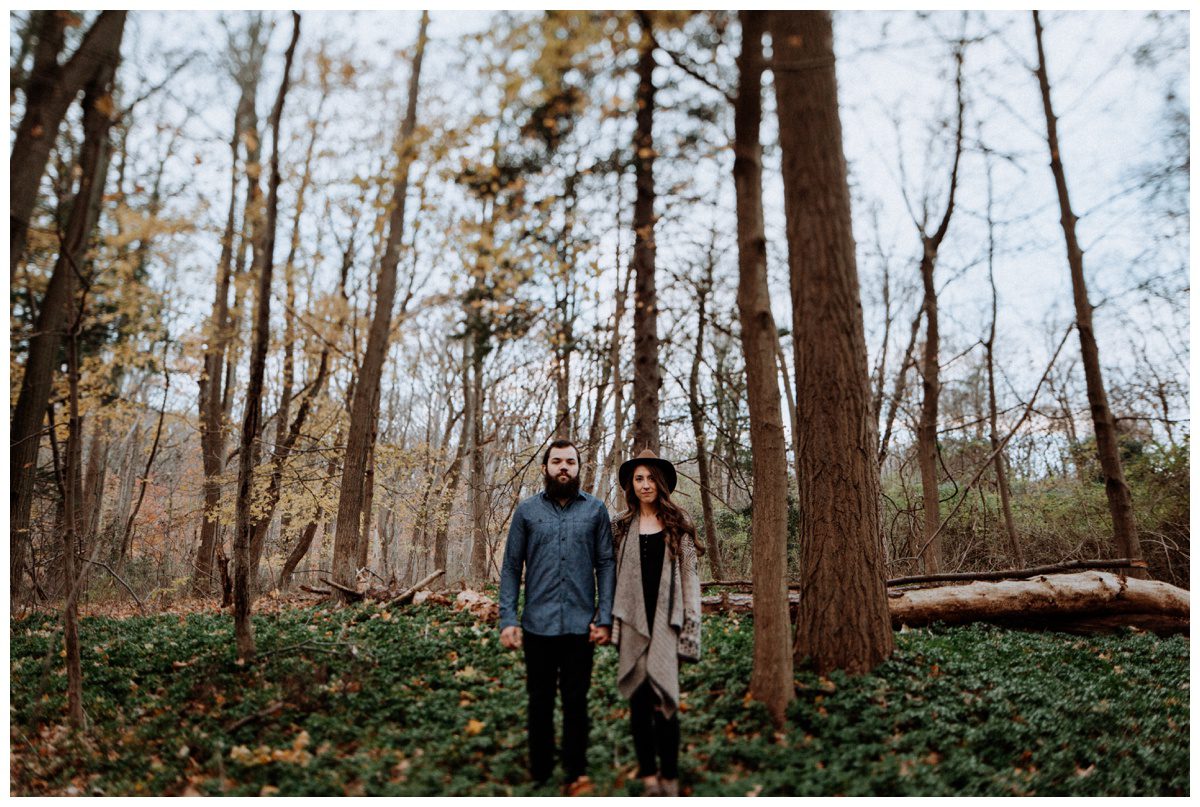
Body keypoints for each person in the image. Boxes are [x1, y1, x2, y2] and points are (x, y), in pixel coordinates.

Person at [499, 438, 616, 794]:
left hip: (582, 626)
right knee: (540, 701)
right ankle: (540, 773)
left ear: (579, 468)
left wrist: (605, 616)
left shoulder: (595, 511)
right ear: (545, 468)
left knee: (576, 702)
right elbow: (510, 567)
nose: (563, 468)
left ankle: (574, 771)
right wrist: (508, 618)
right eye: (557, 462)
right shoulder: (527, 511)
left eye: (570, 462)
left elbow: (606, 565)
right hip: (537, 624)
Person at [610, 449, 703, 797]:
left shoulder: (680, 522)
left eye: (651, 478)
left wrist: (690, 627)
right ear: (630, 485)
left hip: (667, 622)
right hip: (633, 622)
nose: (645, 484)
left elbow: (691, 579)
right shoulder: (619, 525)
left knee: (665, 700)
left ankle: (670, 776)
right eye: (639, 478)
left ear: (660, 482)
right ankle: (649, 778)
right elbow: (607, 572)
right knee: (637, 698)